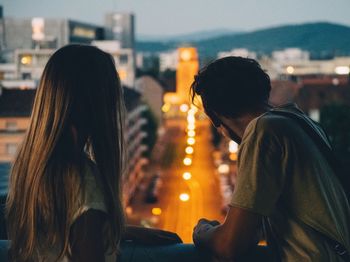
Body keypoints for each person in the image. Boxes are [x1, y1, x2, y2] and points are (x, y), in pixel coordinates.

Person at [5, 44, 188, 262]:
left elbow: (56, 236)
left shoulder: (31, 167)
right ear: (97, 102)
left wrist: (114, 230)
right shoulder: (82, 178)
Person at [190, 56, 350, 261]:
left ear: (217, 118)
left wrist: (202, 231)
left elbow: (229, 246)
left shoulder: (262, 131)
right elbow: (253, 230)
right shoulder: (301, 122)